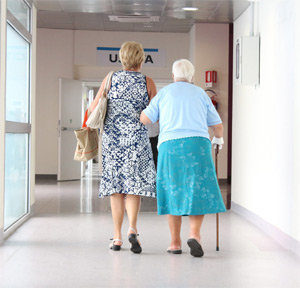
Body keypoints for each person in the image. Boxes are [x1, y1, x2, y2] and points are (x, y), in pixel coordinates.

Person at [140, 59, 226, 257]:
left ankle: (175, 243)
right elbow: (217, 125)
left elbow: (145, 119)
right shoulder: (201, 94)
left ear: (173, 76)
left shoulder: (164, 93)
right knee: (197, 189)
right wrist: (218, 139)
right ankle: (194, 235)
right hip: (198, 145)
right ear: (192, 77)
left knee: (172, 190)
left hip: (170, 147)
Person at [88, 41, 157, 253]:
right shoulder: (148, 82)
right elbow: (154, 114)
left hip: (112, 141)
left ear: (121, 58)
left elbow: (93, 108)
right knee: (134, 187)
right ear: (141, 59)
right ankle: (133, 229)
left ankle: (117, 237)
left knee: (115, 189)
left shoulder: (110, 78)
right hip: (136, 141)